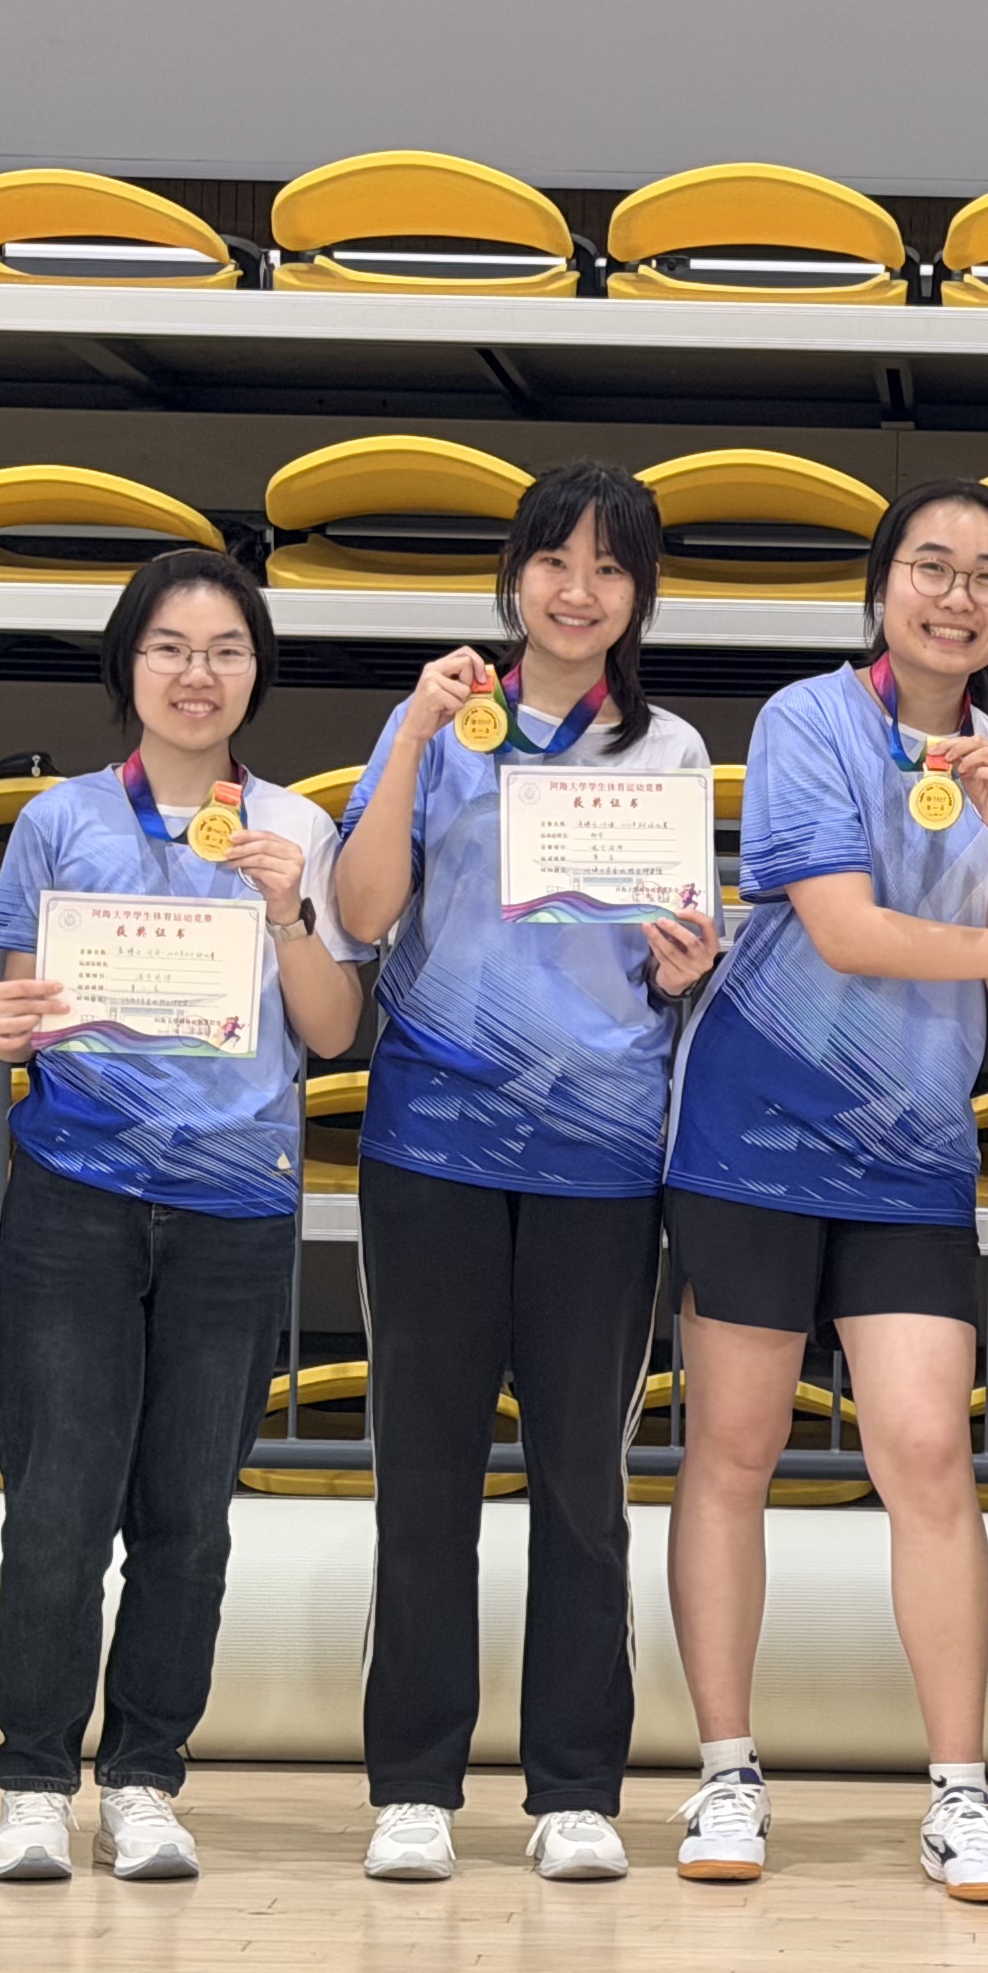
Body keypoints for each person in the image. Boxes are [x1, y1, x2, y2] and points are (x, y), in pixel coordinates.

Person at [661, 484, 988, 1903]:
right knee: (734, 1451)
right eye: (932, 568)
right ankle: (727, 1774)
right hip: (751, 1137)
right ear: (883, 588)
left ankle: (961, 1794)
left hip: (910, 1159)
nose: (957, 596)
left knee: (930, 1453)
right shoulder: (811, 719)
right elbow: (847, 931)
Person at [331, 462, 718, 1889]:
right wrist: (414, 729)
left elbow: (671, 953)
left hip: (600, 1156)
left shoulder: (667, 749)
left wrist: (688, 964)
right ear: (513, 577)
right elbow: (360, 912)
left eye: (611, 568)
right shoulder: (441, 723)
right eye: (555, 560)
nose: (578, 589)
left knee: (580, 1480)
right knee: (424, 1473)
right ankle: (414, 1785)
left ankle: (575, 1786)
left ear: (640, 597)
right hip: (431, 1143)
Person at [0, 547, 370, 1888]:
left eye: (226, 650)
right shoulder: (60, 821)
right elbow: (15, 1009)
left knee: (189, 1514)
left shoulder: (298, 829)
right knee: (58, 1506)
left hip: (234, 1209)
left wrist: (286, 912)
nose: (199, 674)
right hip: (76, 1199)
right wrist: (1, 1018)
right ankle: (33, 1782)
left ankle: (144, 1778)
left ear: (258, 672)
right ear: (128, 666)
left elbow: (331, 1030)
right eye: (171, 648)